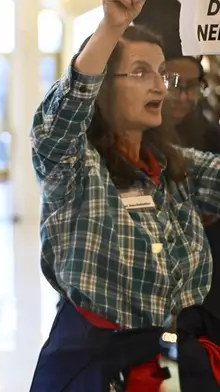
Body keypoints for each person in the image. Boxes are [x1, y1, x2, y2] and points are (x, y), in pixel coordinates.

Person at [29, 1, 220, 391]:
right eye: (140, 72)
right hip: (97, 367)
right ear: (103, 87)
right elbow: (61, 116)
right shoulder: (74, 166)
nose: (158, 85)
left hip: (171, 363)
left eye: (162, 74)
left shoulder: (172, 165)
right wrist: (111, 27)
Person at [165, 55, 220, 391]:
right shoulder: (137, 138)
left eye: (193, 87)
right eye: (175, 85)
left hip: (210, 281)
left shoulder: (210, 135)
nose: (184, 96)